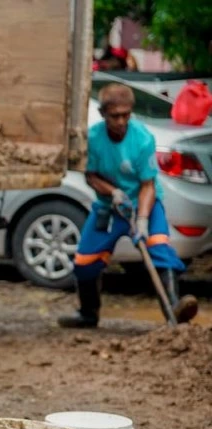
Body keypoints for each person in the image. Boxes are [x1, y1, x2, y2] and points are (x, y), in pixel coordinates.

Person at [58, 83, 198, 328]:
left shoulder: (142, 139)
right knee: (84, 264)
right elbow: (90, 176)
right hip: (109, 208)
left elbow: (148, 185)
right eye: (115, 116)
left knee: (159, 249)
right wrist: (113, 193)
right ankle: (88, 314)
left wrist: (142, 219)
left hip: (145, 204)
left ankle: (174, 314)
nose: (121, 121)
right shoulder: (93, 138)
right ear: (103, 114)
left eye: (126, 115)